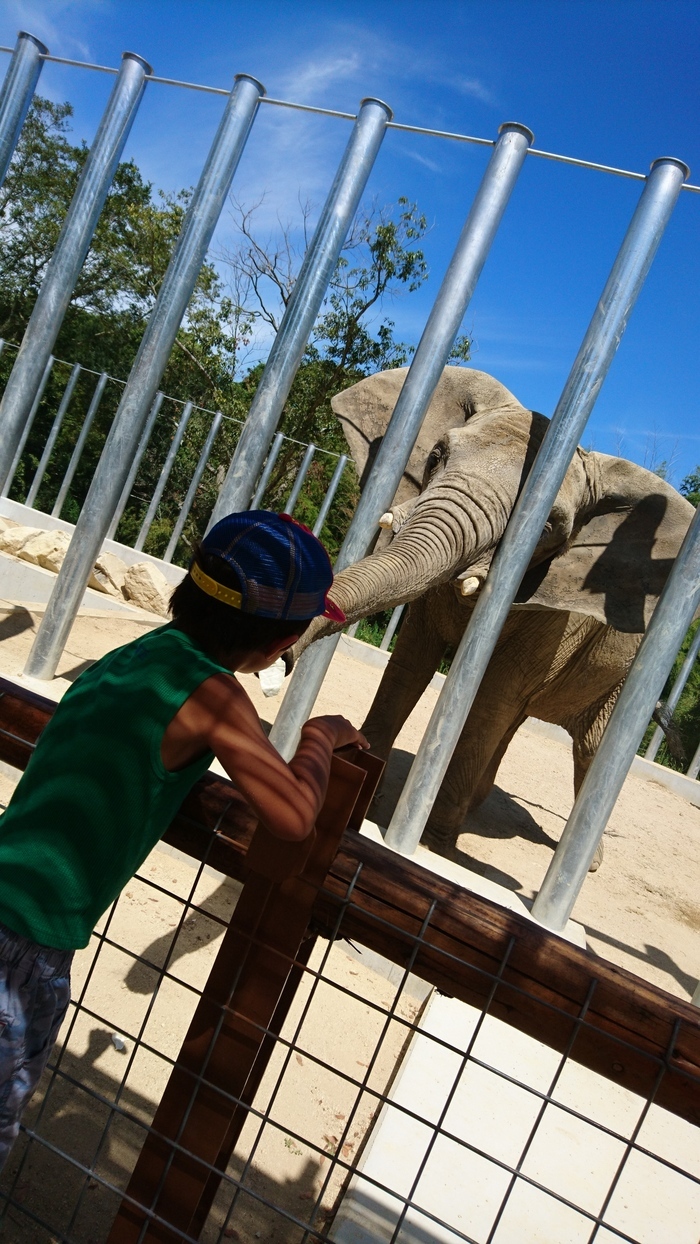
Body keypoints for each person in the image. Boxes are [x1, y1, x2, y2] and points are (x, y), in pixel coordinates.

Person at [0, 510, 367, 1169]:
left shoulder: (133, 655)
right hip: (28, 942)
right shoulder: (214, 694)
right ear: (279, 643)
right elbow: (290, 817)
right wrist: (320, 736)